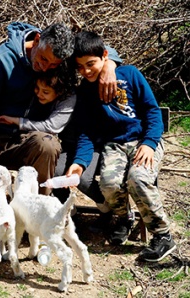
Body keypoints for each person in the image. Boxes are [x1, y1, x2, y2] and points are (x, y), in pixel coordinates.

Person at [0, 22, 119, 258]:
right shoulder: (1, 60)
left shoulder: (58, 53)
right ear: (36, 40)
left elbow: (95, 49)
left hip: (22, 142)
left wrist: (110, 65)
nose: (45, 67)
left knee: (47, 144)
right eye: (44, 60)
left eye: (53, 65)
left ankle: (41, 218)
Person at [65, 30, 176, 262]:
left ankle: (163, 235)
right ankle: (123, 217)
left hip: (144, 141)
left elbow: (152, 112)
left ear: (105, 56)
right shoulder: (85, 91)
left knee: (137, 178)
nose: (86, 71)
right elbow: (86, 132)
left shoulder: (130, 74)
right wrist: (79, 163)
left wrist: (149, 143)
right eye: (80, 67)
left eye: (91, 64)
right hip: (114, 145)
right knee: (109, 183)